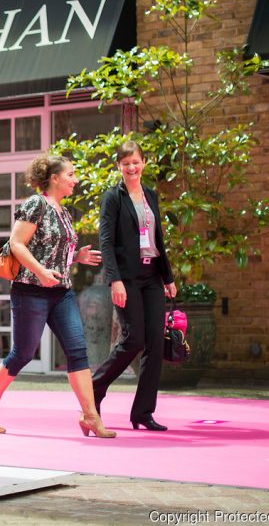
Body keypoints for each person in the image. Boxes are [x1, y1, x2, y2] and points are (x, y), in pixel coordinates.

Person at [0, 155, 115, 438]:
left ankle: (90, 415)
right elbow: (17, 244)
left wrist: (76, 257)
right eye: (71, 174)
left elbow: (52, 252)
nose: (76, 180)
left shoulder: (64, 212)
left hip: (61, 291)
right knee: (22, 354)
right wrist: (40, 272)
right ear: (54, 178)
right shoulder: (35, 204)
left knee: (77, 351)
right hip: (30, 290)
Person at [92, 141, 178, 431]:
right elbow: (106, 241)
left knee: (155, 341)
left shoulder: (150, 195)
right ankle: (95, 388)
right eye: (126, 163)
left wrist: (168, 277)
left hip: (152, 275)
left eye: (136, 162)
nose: (131, 167)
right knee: (134, 340)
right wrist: (114, 279)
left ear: (144, 163)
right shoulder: (112, 198)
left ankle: (143, 412)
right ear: (118, 166)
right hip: (127, 278)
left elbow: (157, 238)